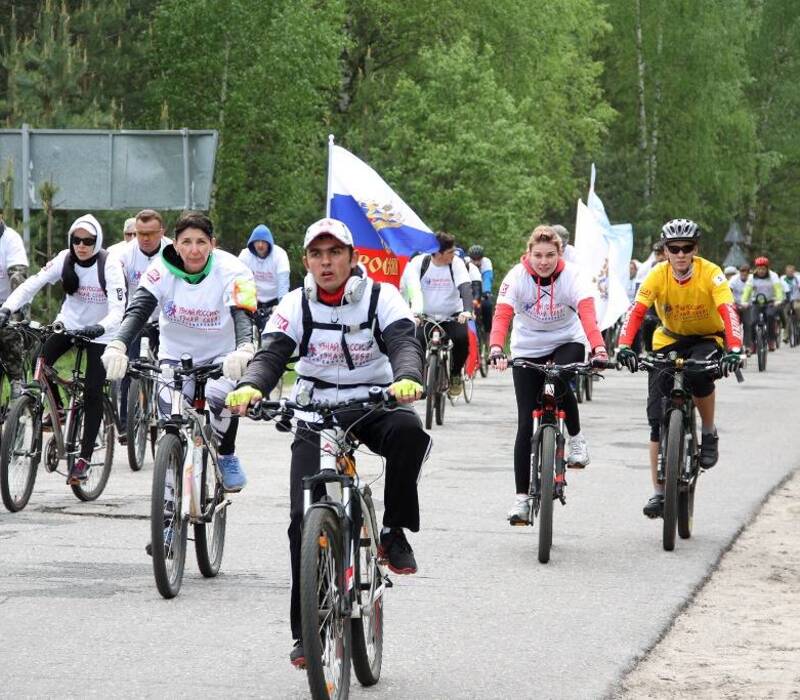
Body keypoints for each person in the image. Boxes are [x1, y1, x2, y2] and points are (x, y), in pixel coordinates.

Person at [224, 217, 430, 668]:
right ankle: (307, 633)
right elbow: (273, 352)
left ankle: (393, 533)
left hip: (374, 402)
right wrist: (253, 386)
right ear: (306, 261)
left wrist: (408, 378)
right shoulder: (296, 303)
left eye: (334, 252)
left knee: (410, 433)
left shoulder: (381, 296)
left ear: (352, 258)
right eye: (316, 254)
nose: (326, 262)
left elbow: (403, 343)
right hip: (315, 410)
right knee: (303, 521)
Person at [101, 211, 256, 492]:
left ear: (213, 244)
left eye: (201, 242)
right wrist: (118, 343)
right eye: (186, 242)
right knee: (169, 419)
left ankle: (226, 454)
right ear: (175, 245)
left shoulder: (234, 269)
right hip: (174, 356)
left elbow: (243, 313)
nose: (193, 250)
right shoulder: (161, 268)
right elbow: (139, 309)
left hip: (221, 356)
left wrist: (244, 348)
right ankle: (170, 503)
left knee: (222, 398)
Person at [616, 219, 743, 519]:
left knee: (700, 376)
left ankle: (709, 432)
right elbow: (637, 311)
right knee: (656, 419)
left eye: (687, 248)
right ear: (666, 251)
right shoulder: (658, 275)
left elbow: (728, 310)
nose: (681, 254)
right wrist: (623, 345)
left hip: (705, 339)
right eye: (675, 249)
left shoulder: (711, 274)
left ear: (695, 249)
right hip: (669, 339)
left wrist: (734, 348)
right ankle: (659, 493)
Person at [488, 225, 608, 524]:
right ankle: (521, 499)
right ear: (528, 254)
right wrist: (495, 349)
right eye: (538, 255)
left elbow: (588, 315)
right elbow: (502, 315)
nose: (544, 261)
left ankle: (577, 438)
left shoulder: (573, 276)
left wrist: (599, 349)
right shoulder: (516, 277)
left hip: (566, 340)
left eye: (550, 255)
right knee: (524, 421)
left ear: (560, 254)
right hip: (527, 346)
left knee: (560, 379)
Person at [0, 214, 126, 483]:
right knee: (39, 360)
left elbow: (118, 310)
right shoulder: (64, 259)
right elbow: (32, 283)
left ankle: (84, 459)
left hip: (103, 332)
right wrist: (7, 308)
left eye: (88, 241)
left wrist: (100, 328)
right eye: (76, 240)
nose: (81, 245)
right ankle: (54, 408)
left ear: (97, 241)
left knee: (92, 392)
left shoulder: (110, 265)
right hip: (68, 324)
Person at [111, 209, 170, 438]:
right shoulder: (124, 254)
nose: (144, 239)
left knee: (166, 369)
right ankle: (127, 423)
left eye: (151, 233)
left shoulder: (173, 251)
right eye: (139, 233)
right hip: (136, 317)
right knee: (130, 367)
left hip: (164, 318)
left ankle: (165, 415)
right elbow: (114, 282)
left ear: (161, 232)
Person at [407, 232, 473, 396]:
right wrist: (415, 313)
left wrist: (467, 310)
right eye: (450, 252)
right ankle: (418, 377)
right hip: (426, 315)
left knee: (461, 339)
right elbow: (413, 290)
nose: (454, 254)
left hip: (453, 314)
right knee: (416, 341)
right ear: (437, 253)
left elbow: (465, 287)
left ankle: (456, 374)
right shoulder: (418, 263)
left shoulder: (456, 263)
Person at [238, 223, 290, 334]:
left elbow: (283, 283)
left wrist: (281, 307)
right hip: (253, 301)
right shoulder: (245, 255)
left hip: (274, 302)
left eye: (264, 242)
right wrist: (245, 306)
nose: (260, 245)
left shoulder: (280, 255)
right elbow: (240, 281)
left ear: (269, 243)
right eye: (257, 241)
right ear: (252, 243)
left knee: (274, 335)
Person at [0, 216, 30, 398]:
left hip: (10, 303)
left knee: (9, 335)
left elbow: (17, 276)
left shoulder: (10, 239)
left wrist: (12, 309)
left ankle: (17, 385)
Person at [741, 256, 784, 351]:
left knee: (770, 316)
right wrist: (744, 302)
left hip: (770, 302)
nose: (761, 271)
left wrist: (779, 300)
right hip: (755, 302)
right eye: (759, 268)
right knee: (752, 322)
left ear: (767, 268)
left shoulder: (773, 276)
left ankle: (771, 340)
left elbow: (778, 289)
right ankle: (752, 344)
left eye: (763, 269)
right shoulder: (752, 277)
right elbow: (747, 291)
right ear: (756, 268)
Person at [467, 243, 495, 336]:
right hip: (469, 291)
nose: (476, 262)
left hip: (482, 292)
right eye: (473, 259)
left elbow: (487, 279)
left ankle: (488, 337)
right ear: (469, 258)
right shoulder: (464, 262)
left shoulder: (486, 262)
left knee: (487, 306)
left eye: (478, 259)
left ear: (482, 258)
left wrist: (486, 292)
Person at [730, 264, 752, 351]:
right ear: (739, 272)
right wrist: (733, 303)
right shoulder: (734, 279)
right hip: (735, 304)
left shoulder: (752, 280)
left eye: (746, 271)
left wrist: (749, 303)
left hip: (748, 305)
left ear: (748, 273)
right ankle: (735, 345)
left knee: (748, 325)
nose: (744, 273)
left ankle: (748, 346)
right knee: (734, 325)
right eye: (742, 271)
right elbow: (729, 291)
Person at [780, 264, 800, 342]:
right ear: (786, 272)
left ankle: (798, 322)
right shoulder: (782, 279)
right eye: (788, 272)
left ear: (794, 272)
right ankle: (786, 335)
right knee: (786, 317)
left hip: (797, 299)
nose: (789, 273)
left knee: (797, 308)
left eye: (791, 272)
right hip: (786, 300)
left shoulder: (797, 278)